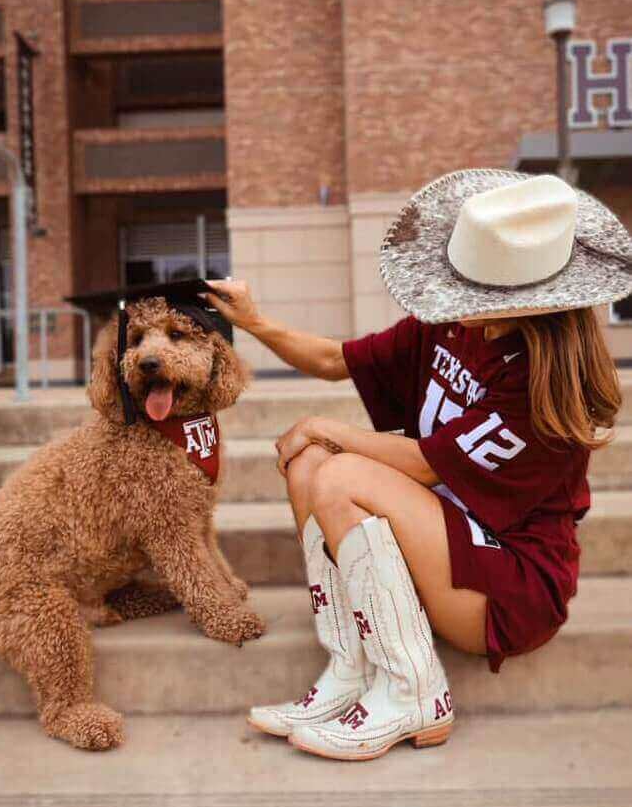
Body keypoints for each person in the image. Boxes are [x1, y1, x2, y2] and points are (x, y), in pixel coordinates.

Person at [203, 170, 631, 762]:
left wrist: (332, 429)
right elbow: (334, 359)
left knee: (339, 469)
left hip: (510, 585)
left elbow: (428, 466)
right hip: (442, 545)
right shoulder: (452, 325)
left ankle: (414, 693)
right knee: (308, 465)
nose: (466, 299)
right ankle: (351, 671)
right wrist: (253, 322)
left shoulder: (547, 381)